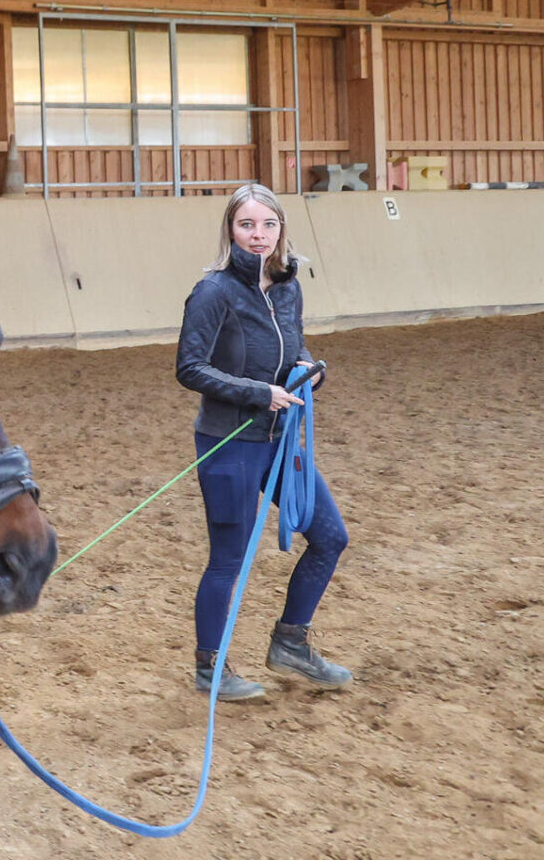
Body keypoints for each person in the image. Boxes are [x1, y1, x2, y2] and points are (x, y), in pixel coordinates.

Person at [173, 183, 352, 700]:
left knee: (330, 536)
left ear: (281, 230)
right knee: (229, 558)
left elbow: (293, 344)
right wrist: (258, 392)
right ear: (230, 230)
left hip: (281, 440)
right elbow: (189, 368)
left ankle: (291, 642)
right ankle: (211, 668)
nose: (258, 236)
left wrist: (310, 371)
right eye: (247, 225)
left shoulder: (290, 286)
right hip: (228, 443)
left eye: (268, 225)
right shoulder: (213, 292)